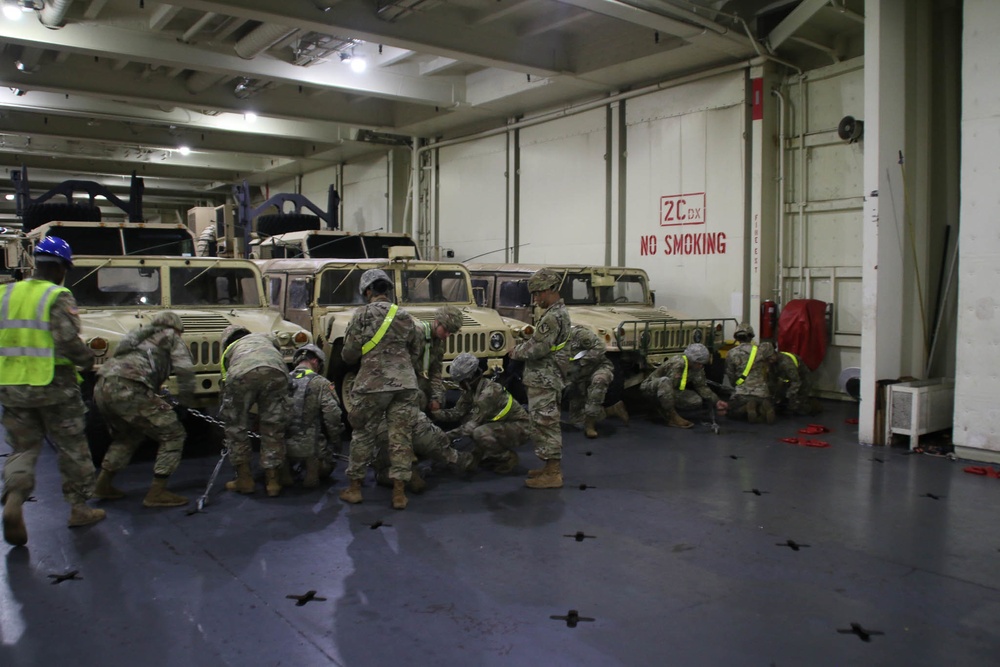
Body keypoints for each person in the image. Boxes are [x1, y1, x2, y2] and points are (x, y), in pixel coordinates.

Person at [1, 237, 105, 546]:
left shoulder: (6, 293)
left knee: (23, 447)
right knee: (72, 446)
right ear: (61, 268)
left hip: (12, 386)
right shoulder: (57, 295)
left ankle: (14, 500)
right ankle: (79, 508)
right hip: (54, 386)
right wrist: (87, 363)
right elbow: (66, 341)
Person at [338, 268, 422, 510]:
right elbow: (416, 352)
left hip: (372, 385)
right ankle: (399, 494)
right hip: (405, 384)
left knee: (363, 433)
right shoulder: (406, 316)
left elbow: (349, 353)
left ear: (367, 291)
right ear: (387, 290)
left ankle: (354, 489)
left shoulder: (362, 315)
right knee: (400, 437)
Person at [92, 311, 195, 507]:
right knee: (173, 434)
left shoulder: (135, 337)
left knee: (129, 435)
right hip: (130, 388)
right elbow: (185, 370)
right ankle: (157, 492)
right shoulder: (170, 336)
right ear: (176, 328)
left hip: (102, 386)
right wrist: (185, 401)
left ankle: (102, 484)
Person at [509, 268, 571, 489]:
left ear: (548, 290)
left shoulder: (552, 317)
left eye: (537, 294)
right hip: (545, 377)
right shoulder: (557, 313)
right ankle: (547, 466)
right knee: (542, 422)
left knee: (546, 423)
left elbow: (537, 348)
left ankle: (553, 473)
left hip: (545, 377)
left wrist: (515, 352)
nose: (535, 299)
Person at [219, 324, 291, 497]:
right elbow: (277, 347)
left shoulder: (229, 351)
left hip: (242, 373)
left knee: (236, 427)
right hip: (278, 371)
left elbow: (225, 382)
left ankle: (244, 480)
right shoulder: (264, 338)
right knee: (273, 427)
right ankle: (273, 482)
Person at [433, 352, 530, 474]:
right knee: (468, 419)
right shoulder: (470, 391)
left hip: (520, 428)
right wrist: (436, 412)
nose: (459, 385)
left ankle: (507, 457)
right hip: (500, 423)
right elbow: (457, 413)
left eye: (460, 381)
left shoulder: (488, 394)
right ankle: (486, 453)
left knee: (478, 432)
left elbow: (470, 427)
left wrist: (444, 437)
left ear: (469, 378)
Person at [285, 344, 343, 487]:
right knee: (326, 466)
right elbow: (332, 416)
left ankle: (284, 474)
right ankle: (312, 475)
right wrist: (336, 442)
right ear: (316, 362)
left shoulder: (283, 380)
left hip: (281, 448)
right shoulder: (321, 383)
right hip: (311, 448)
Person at [559, 325, 629, 438]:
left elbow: (600, 347)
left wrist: (582, 362)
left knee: (598, 382)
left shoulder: (579, 333)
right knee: (577, 422)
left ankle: (590, 426)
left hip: (598, 367)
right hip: (578, 376)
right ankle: (611, 410)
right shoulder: (551, 341)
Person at [641, 343, 728, 428]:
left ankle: (664, 406)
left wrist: (716, 401)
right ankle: (671, 417)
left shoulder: (696, 368)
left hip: (670, 390)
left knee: (696, 400)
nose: (701, 365)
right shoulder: (678, 363)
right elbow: (667, 386)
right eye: (698, 363)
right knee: (665, 381)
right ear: (691, 360)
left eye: (702, 363)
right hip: (651, 387)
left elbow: (702, 387)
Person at [414, 305, 463, 412]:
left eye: (450, 333)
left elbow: (436, 372)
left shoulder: (438, 343)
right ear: (436, 322)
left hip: (422, 382)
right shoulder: (416, 333)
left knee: (441, 398)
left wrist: (436, 398)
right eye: (445, 329)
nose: (447, 335)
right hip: (408, 384)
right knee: (419, 399)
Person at [726, 335, 777, 424]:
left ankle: (746, 408)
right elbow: (772, 360)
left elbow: (730, 374)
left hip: (743, 393)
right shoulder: (761, 350)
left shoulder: (731, 353)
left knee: (731, 411)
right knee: (762, 401)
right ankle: (762, 408)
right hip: (762, 392)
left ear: (737, 338)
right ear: (751, 337)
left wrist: (736, 384)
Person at [772, 348, 821, 416]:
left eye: (770, 358)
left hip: (802, 381)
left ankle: (811, 405)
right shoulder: (772, 362)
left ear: (774, 355)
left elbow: (796, 382)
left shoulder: (786, 363)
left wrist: (788, 396)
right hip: (788, 380)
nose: (769, 361)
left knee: (798, 409)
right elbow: (773, 379)